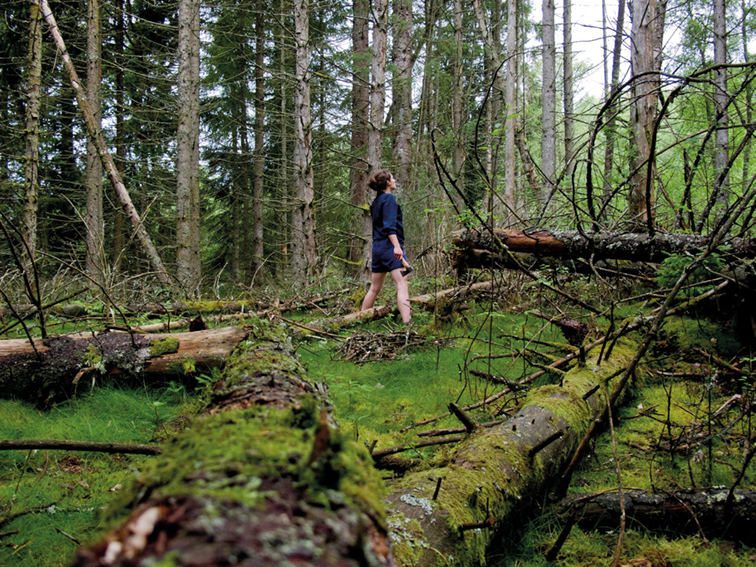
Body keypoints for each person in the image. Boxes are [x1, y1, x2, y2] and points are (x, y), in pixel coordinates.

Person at [360, 169, 411, 324]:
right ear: (388, 182)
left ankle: (358, 322)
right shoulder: (389, 199)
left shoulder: (376, 202)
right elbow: (390, 227)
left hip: (378, 248)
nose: (395, 180)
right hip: (390, 247)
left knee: (374, 288)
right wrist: (397, 247)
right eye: (392, 178)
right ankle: (408, 325)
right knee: (402, 285)